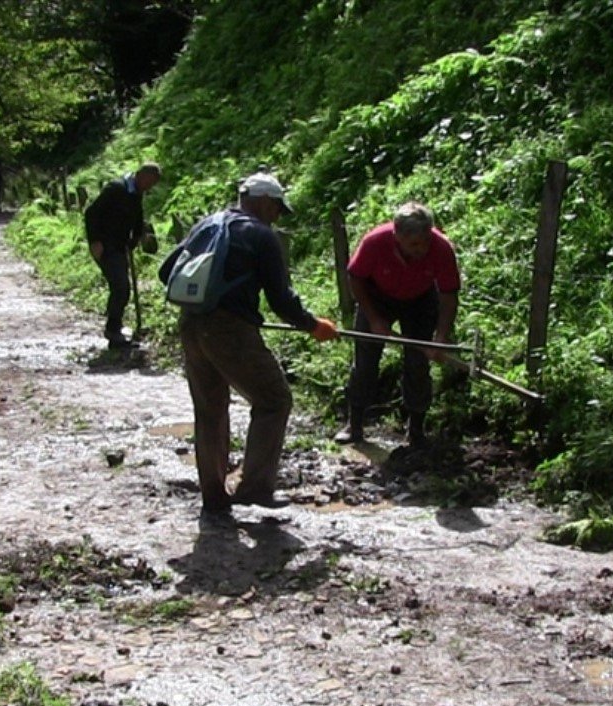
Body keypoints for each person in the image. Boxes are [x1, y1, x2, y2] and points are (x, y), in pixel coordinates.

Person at [159, 172, 338, 515]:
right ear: (264, 202)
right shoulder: (261, 235)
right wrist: (314, 326)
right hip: (230, 330)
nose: (276, 216)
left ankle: (214, 498)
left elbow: (167, 271)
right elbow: (281, 299)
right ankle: (254, 489)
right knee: (273, 399)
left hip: (191, 324)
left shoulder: (207, 224)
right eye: (276, 209)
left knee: (210, 409)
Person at [335, 201, 462, 446]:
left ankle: (416, 430)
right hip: (377, 296)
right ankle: (355, 424)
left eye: (425, 241)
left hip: (421, 300)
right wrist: (374, 319)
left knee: (417, 363)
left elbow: (449, 294)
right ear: (397, 237)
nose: (421, 249)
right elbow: (356, 277)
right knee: (365, 360)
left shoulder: (441, 248)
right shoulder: (375, 242)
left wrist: (441, 336)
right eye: (414, 244)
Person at [84, 162, 161, 349]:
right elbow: (91, 213)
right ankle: (113, 330)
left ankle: (115, 329)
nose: (149, 188)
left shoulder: (136, 193)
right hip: (106, 246)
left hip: (119, 246)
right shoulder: (116, 189)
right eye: (149, 183)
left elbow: (137, 218)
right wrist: (95, 241)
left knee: (121, 287)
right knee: (121, 287)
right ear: (141, 176)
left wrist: (135, 239)